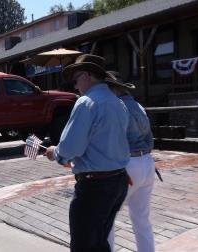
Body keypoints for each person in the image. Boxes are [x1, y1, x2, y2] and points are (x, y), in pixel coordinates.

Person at [45, 54, 131, 252]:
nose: (75, 86)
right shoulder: (118, 103)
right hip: (118, 181)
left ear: (89, 75)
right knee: (100, 243)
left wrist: (55, 153)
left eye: (76, 79)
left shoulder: (86, 102)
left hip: (95, 186)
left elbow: (70, 148)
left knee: (84, 246)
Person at [105, 71, 156, 252]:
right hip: (147, 163)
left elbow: (112, 140)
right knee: (142, 220)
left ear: (111, 88)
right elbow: (150, 139)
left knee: (107, 218)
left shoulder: (116, 107)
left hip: (128, 165)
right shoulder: (138, 106)